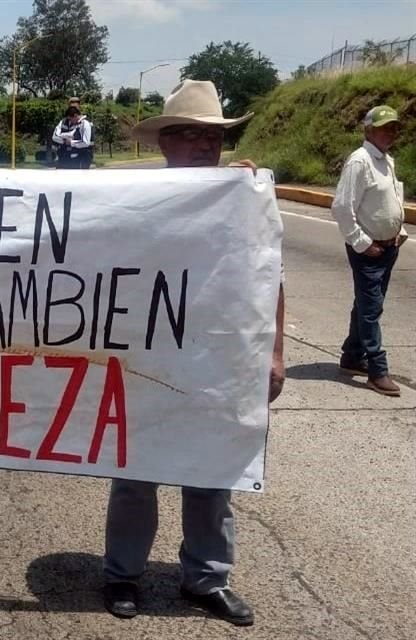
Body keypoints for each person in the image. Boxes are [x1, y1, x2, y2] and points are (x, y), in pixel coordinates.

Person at [103, 79, 285, 627]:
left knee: (212, 470)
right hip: (147, 356)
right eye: (188, 135)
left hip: (218, 359)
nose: (204, 145)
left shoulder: (246, 198)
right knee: (136, 471)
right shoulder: (134, 201)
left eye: (213, 136)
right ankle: (122, 576)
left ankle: (207, 578)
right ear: (164, 144)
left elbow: (271, 277)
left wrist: (274, 351)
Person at [331, 105, 407, 396]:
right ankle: (377, 369)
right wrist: (363, 243)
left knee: (366, 305)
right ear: (369, 130)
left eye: (394, 128)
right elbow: (341, 207)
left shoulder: (387, 160)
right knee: (371, 309)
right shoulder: (359, 161)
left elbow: (393, 198)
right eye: (384, 127)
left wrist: (398, 232)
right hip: (369, 252)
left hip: (388, 248)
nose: (390, 133)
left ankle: (352, 356)